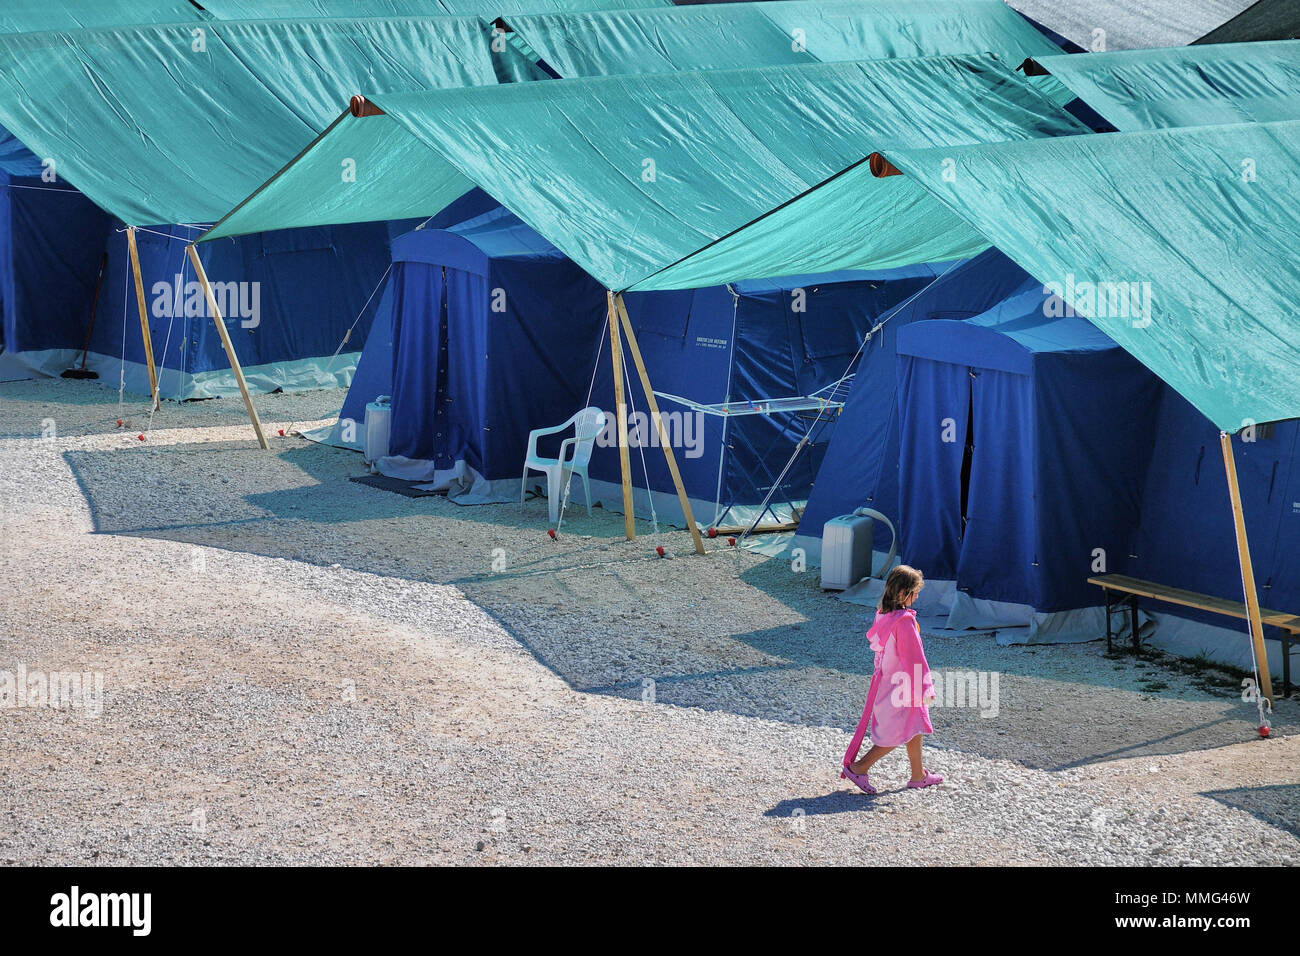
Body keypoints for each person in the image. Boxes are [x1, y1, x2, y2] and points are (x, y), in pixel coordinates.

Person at [840, 565, 943, 794]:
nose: (917, 596)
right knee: (896, 732)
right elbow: (914, 658)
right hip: (902, 686)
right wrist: (925, 687)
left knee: (912, 725)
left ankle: (918, 775)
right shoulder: (904, 622)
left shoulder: (884, 614)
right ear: (902, 593)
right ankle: (858, 767)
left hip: (888, 682)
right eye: (914, 592)